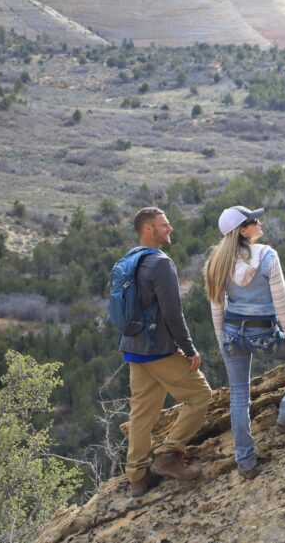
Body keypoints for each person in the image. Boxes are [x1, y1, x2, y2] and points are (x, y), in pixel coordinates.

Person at [206, 205, 285, 479]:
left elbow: (217, 307)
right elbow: (282, 306)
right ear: (243, 231)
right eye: (253, 220)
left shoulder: (216, 261)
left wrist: (222, 341)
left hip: (232, 333)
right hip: (262, 334)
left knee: (239, 397)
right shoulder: (267, 256)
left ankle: (245, 461)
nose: (259, 222)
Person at [122, 207, 212, 497]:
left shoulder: (128, 260)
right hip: (159, 349)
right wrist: (189, 349)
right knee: (200, 395)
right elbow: (173, 313)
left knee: (142, 415)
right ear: (148, 229)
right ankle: (169, 456)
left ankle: (137, 476)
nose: (169, 228)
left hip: (134, 348)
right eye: (164, 225)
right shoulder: (160, 263)